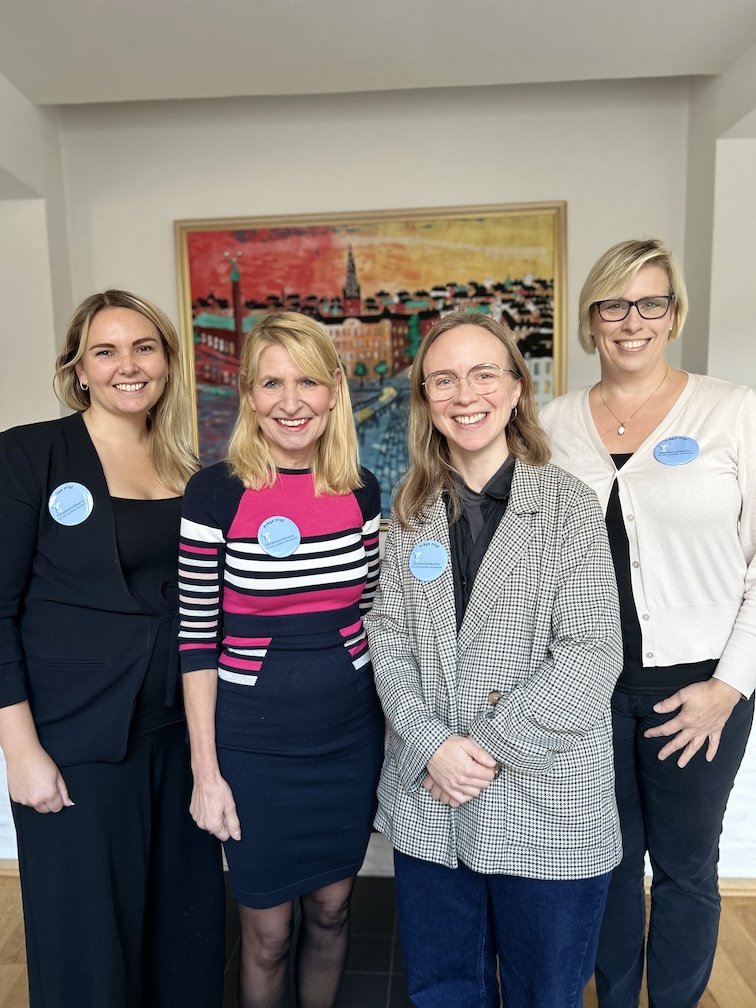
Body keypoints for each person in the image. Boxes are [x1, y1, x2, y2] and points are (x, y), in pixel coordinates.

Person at [364, 310, 623, 1008]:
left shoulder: (570, 507)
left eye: (483, 374)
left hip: (546, 802)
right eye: (443, 379)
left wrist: (474, 753)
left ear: (515, 389)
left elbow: (592, 655)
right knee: (444, 993)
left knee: (546, 994)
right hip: (432, 807)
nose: (464, 394)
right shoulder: (409, 512)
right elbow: (386, 636)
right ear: (425, 399)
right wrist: (431, 746)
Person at [539, 238, 756, 1008]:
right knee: (606, 864)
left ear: (673, 314)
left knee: (686, 869)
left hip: (699, 690)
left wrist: (728, 687)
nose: (632, 321)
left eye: (651, 303)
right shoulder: (551, 424)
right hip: (588, 689)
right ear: (590, 319)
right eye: (614, 305)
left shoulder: (732, 411)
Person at [0, 290, 226, 1007]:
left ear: (168, 362)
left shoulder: (191, 468)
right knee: (90, 952)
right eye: (106, 351)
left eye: (143, 348)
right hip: (78, 744)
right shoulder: (29, 454)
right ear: (79, 368)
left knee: (184, 940)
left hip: (180, 736)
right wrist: (20, 753)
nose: (128, 365)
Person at [178, 311, 384, 1008]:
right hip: (253, 749)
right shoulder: (215, 493)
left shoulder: (361, 488)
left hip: (347, 741)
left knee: (332, 913)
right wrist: (206, 772)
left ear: (334, 389)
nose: (290, 402)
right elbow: (195, 641)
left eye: (307, 382)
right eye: (271, 383)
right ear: (248, 393)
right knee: (266, 935)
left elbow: (371, 615)